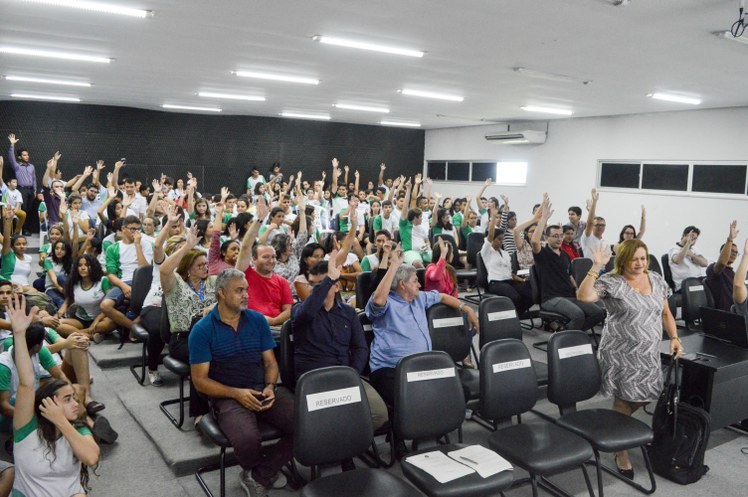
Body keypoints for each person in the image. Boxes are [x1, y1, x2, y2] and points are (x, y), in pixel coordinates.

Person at [577, 240, 682, 477]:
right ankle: (620, 450)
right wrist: (596, 266)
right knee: (625, 400)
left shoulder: (656, 279)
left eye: (643, 258)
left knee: (647, 396)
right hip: (621, 352)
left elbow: (665, 313)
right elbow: (583, 297)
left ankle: (614, 427)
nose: (639, 263)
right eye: (634, 259)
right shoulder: (612, 282)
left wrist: (675, 337)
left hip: (648, 352)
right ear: (622, 259)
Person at [190, 269, 293, 496]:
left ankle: (259, 474)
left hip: (261, 389)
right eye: (239, 291)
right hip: (227, 397)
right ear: (221, 294)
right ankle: (258, 469)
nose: (246, 295)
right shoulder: (202, 330)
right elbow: (200, 381)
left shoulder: (256, 320)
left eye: (246, 290)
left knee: (307, 421)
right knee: (247, 439)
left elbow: (270, 363)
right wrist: (237, 394)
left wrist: (270, 386)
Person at [6, 295, 100, 497]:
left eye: (74, 398)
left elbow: (91, 458)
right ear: (48, 403)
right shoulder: (26, 427)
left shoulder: (77, 429)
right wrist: (20, 334)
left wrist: (60, 420)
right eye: (67, 399)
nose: (75, 403)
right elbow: (26, 382)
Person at [365, 245, 478, 406]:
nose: (420, 285)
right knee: (413, 400)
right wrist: (395, 265)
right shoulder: (386, 301)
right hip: (391, 369)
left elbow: (442, 297)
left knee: (461, 391)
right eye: (415, 281)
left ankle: (433, 427)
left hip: (422, 366)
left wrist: (466, 308)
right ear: (402, 285)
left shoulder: (419, 298)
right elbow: (377, 300)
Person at [291, 255, 388, 430]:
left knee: (378, 414)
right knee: (329, 419)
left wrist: (352, 374)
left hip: (346, 374)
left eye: (320, 284)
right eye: (312, 284)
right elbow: (308, 310)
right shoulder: (300, 310)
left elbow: (360, 348)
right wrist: (329, 278)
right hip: (315, 379)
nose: (315, 289)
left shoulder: (348, 313)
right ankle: (336, 446)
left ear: (336, 287)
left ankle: (344, 442)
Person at [160, 225, 216, 423]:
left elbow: (235, 281)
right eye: (200, 265)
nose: (205, 268)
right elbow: (164, 269)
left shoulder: (212, 282)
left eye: (206, 264)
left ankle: (223, 402)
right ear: (188, 267)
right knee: (203, 357)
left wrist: (214, 307)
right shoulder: (176, 285)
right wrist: (187, 247)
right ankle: (199, 412)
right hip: (182, 339)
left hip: (210, 335)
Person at [531, 197, 605, 331]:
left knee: (598, 313)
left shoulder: (564, 255)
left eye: (561, 235)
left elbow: (569, 275)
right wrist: (543, 219)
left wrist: (577, 289)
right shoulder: (543, 254)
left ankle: (571, 334)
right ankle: (565, 340)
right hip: (551, 298)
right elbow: (535, 242)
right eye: (555, 236)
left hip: (570, 295)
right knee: (578, 315)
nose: (559, 239)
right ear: (546, 238)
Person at [101, 215, 153, 332]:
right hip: (123, 281)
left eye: (138, 229)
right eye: (133, 229)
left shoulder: (145, 244)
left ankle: (134, 326)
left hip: (143, 281)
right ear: (123, 229)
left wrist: (137, 245)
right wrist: (123, 286)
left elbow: (145, 268)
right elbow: (111, 274)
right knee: (105, 305)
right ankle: (134, 328)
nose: (136, 232)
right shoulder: (113, 248)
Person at [482, 208, 533, 315]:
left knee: (532, 293)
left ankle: (515, 315)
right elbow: (490, 235)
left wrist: (522, 281)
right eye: (499, 239)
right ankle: (512, 316)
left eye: (502, 239)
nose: (501, 242)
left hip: (509, 281)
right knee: (515, 297)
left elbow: (511, 274)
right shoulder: (487, 251)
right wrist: (493, 217)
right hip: (496, 282)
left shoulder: (505, 254)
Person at [59, 255, 117, 339]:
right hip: (80, 320)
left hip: (100, 320)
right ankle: (90, 335)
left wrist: (96, 321)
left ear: (93, 267)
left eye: (87, 265)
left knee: (110, 323)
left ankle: (74, 333)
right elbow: (69, 298)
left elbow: (111, 305)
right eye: (80, 265)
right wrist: (63, 307)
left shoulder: (103, 281)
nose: (83, 268)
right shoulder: (74, 282)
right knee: (58, 324)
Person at [705, 221, 739, 311]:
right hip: (728, 312)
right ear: (722, 252)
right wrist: (730, 240)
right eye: (731, 250)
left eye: (736, 252)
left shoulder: (733, 273)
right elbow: (722, 263)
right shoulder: (713, 269)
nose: (734, 254)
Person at [7, 134, 36, 236]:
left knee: (30, 210)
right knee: (22, 210)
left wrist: (35, 190)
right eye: (24, 155)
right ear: (20, 156)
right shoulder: (17, 166)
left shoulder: (32, 166)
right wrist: (12, 145)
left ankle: (27, 229)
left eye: (27, 155)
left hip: (31, 190)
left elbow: (34, 179)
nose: (27, 156)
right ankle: (21, 230)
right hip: (22, 190)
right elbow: (11, 158)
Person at [1, 206, 34, 288]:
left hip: (26, 288)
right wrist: (8, 221)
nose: (22, 246)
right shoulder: (8, 255)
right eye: (18, 244)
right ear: (12, 246)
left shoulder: (28, 258)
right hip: (10, 287)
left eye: (24, 244)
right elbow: (6, 239)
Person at [668, 226, 708, 292]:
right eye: (691, 237)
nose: (692, 240)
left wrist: (692, 255)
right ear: (683, 235)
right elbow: (677, 260)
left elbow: (705, 263)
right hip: (685, 284)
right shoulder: (674, 249)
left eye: (695, 239)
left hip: (698, 281)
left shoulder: (694, 249)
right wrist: (687, 245)